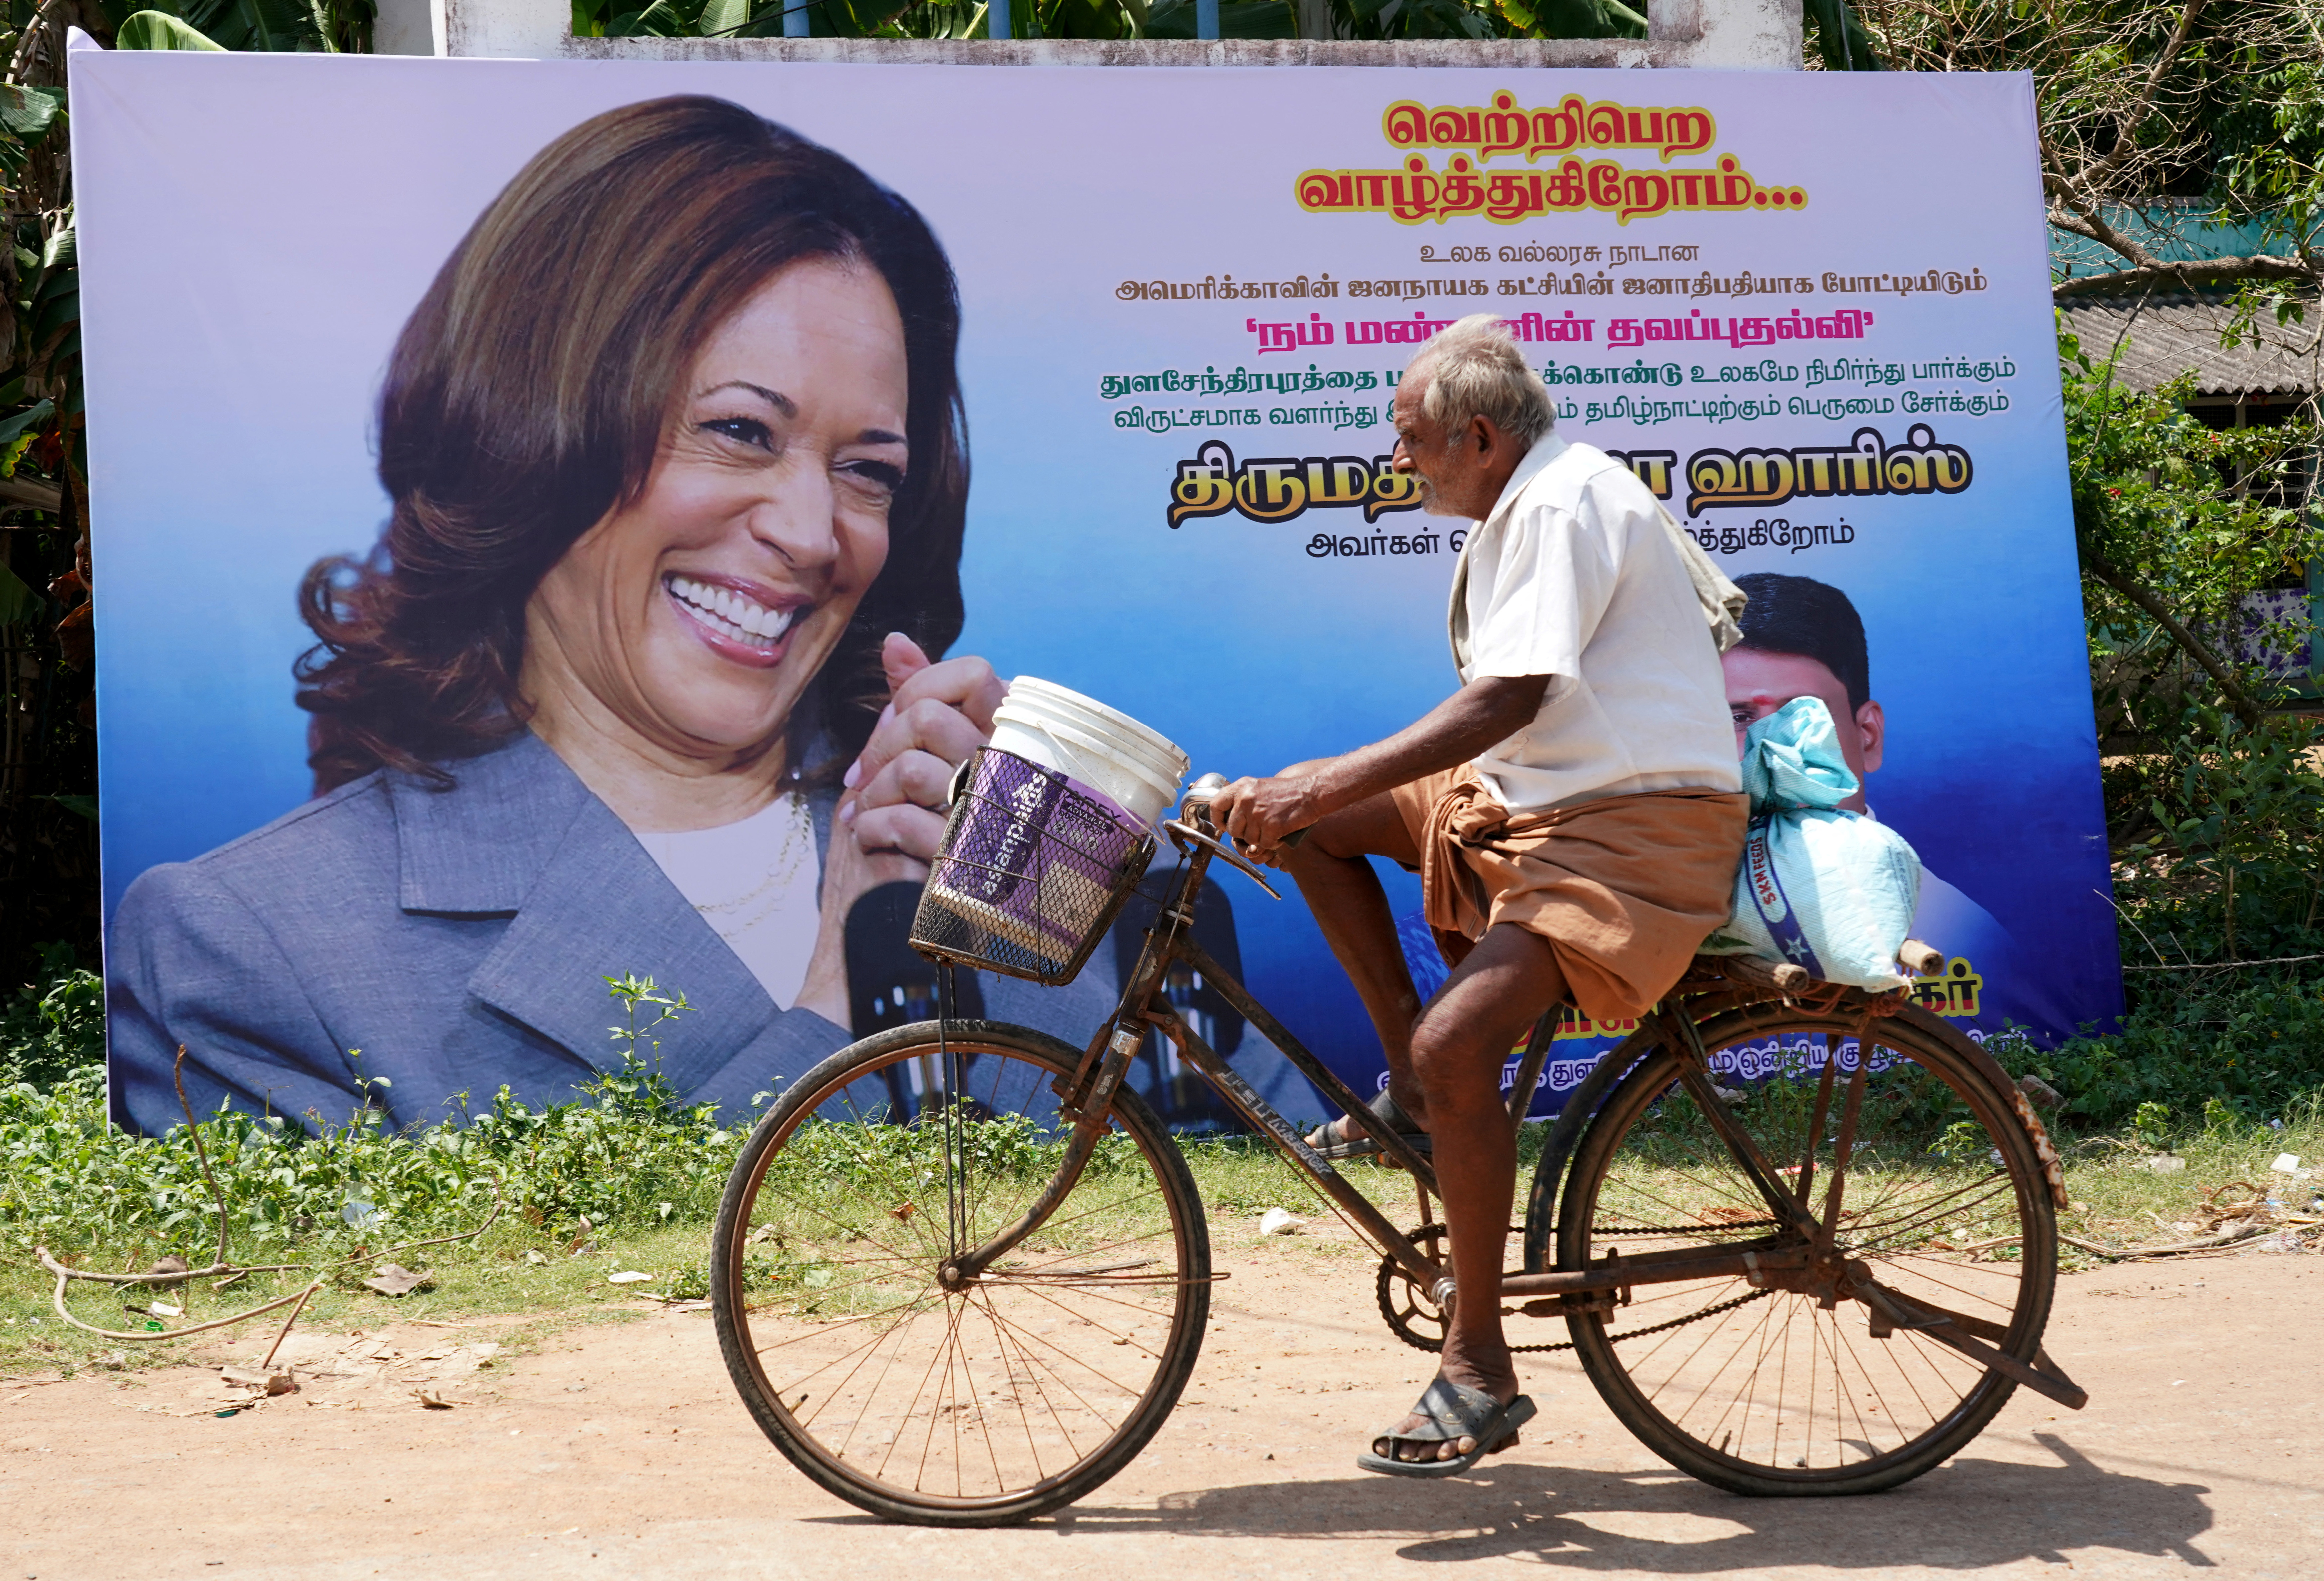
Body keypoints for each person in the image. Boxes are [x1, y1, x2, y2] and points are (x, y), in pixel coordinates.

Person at [104, 97, 1009, 1135]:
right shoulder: (250, 955)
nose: (812, 533)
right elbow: (522, 1304)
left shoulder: (995, 848)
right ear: (531, 429)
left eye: (865, 471)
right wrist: (840, 1007)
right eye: (739, 431)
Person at [1210, 315, 1745, 1476]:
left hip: (1632, 825)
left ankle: (1480, 1363)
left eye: (1412, 439)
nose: (1400, 459)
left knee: (1466, 1047)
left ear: (1481, 436)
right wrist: (1311, 794)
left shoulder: (1558, 504)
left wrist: (1334, 772)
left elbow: (1509, 696)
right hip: (1555, 795)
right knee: (1316, 830)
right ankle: (1408, 1076)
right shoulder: (1528, 501)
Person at [1721, 572, 2032, 1016]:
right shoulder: (1687, 902)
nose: (1772, 750)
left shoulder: (1962, 930)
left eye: (1802, 714)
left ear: (1867, 736)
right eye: (1738, 716)